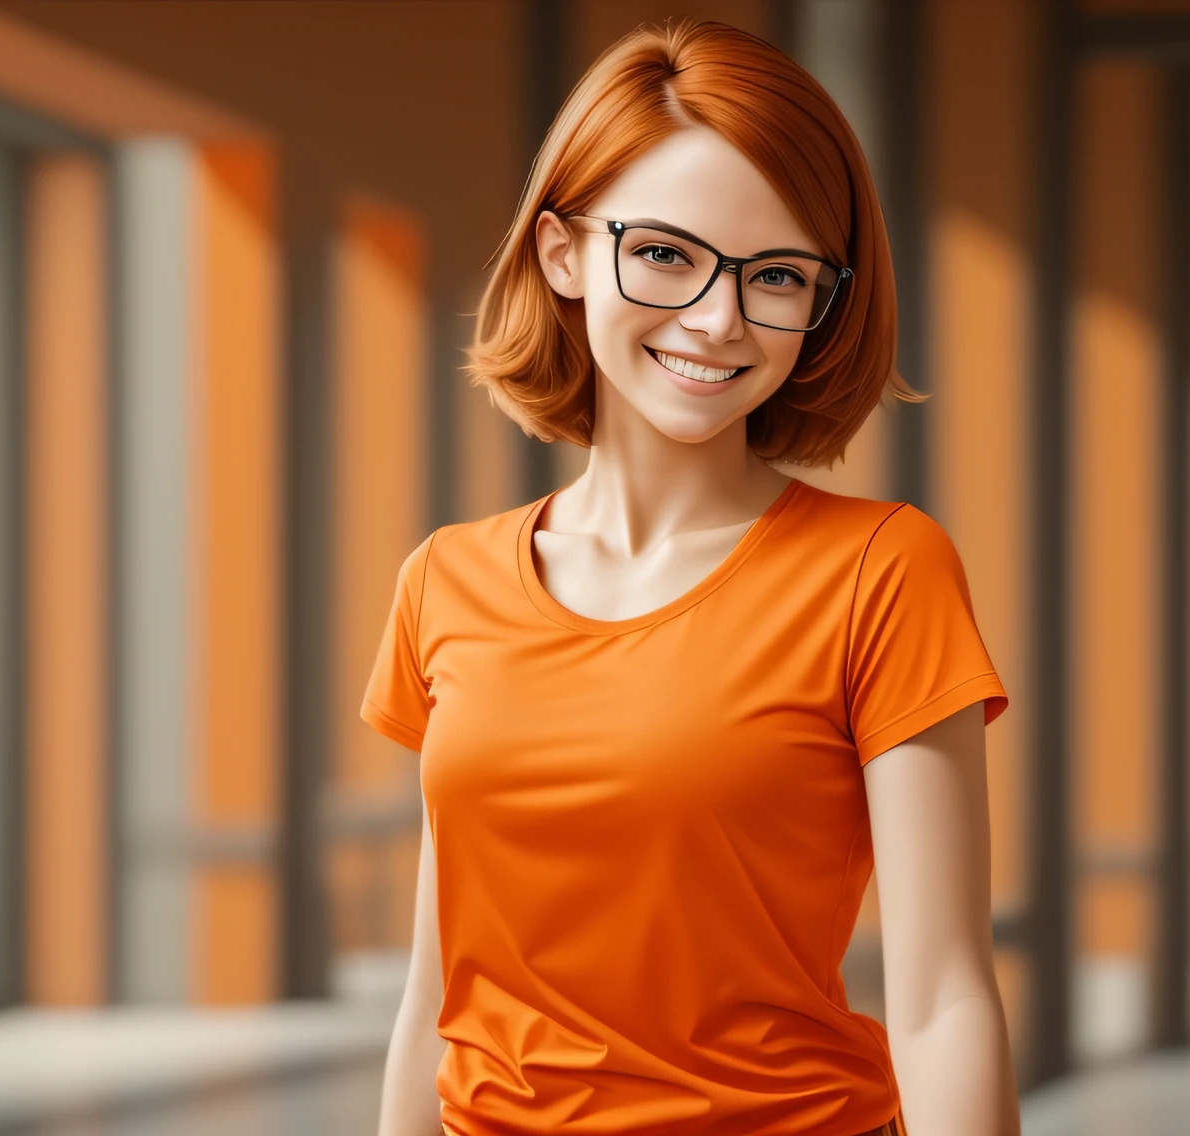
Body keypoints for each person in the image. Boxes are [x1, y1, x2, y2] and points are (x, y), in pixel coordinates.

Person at [362, 21, 1018, 1136]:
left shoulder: (880, 570)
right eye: (665, 253)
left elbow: (945, 994)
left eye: (774, 275)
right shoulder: (444, 581)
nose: (718, 319)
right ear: (562, 253)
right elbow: (438, 996)